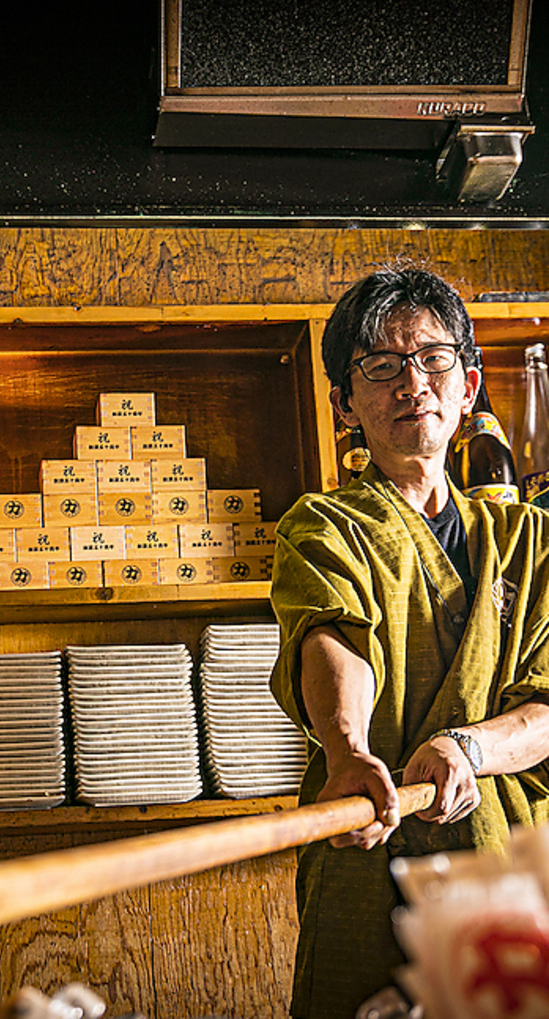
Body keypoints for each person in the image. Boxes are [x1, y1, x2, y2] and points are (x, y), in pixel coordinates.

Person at [269, 266, 549, 1019]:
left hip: (505, 859)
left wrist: (471, 749)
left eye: (432, 358)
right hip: (369, 842)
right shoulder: (325, 526)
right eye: (380, 366)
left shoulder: (531, 540)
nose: (411, 383)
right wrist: (347, 748)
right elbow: (331, 635)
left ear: (468, 380)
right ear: (344, 404)